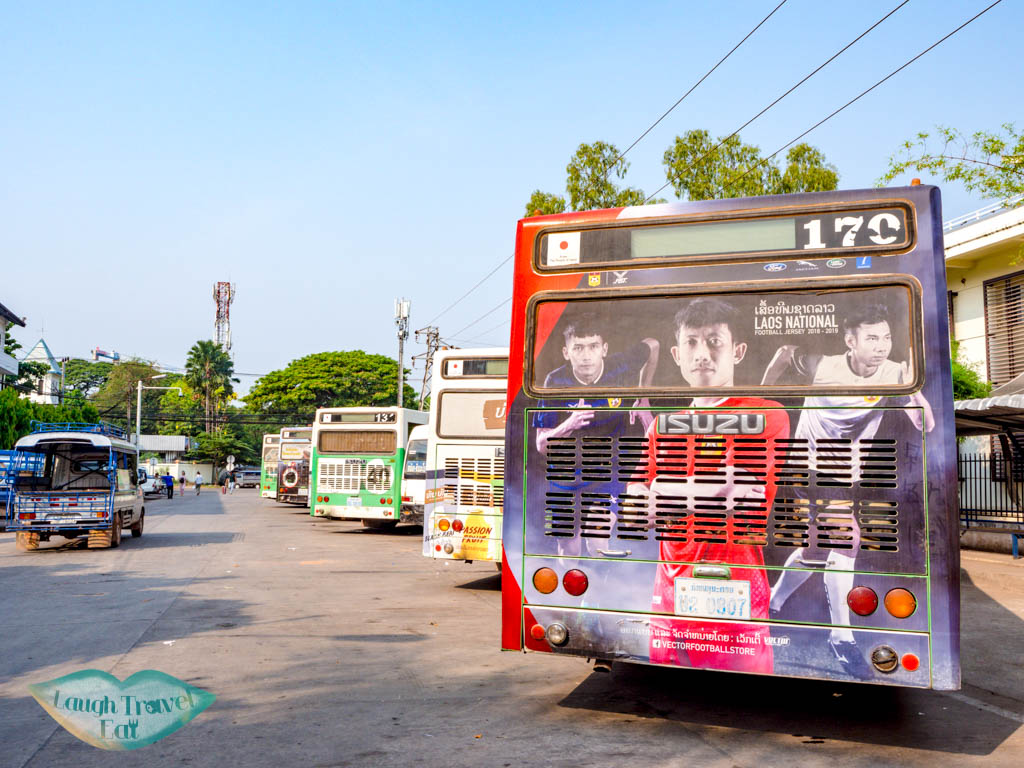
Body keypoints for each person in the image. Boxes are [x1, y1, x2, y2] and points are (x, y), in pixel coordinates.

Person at [763, 303, 934, 679]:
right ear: (851, 341)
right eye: (872, 338)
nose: (881, 346)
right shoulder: (823, 366)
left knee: (814, 551)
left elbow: (926, 425)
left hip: (846, 476)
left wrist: (913, 388)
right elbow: (785, 353)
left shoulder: (894, 373)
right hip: (809, 466)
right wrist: (761, 400)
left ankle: (771, 604)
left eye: (886, 337)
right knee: (847, 538)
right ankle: (841, 637)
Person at [626, 297, 790, 674]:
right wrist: (704, 490)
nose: (702, 354)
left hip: (736, 603)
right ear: (676, 355)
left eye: (714, 341)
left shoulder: (765, 413)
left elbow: (728, 493)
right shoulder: (662, 425)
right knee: (667, 700)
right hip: (668, 607)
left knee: (742, 702)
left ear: (737, 351)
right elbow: (635, 512)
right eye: (691, 342)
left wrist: (661, 488)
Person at [534, 311, 660, 455]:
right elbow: (541, 445)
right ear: (566, 353)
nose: (586, 356)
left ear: (604, 350)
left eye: (593, 346)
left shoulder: (620, 366)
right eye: (578, 348)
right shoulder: (555, 381)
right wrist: (570, 424)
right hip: (572, 461)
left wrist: (643, 398)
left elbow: (653, 345)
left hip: (613, 458)